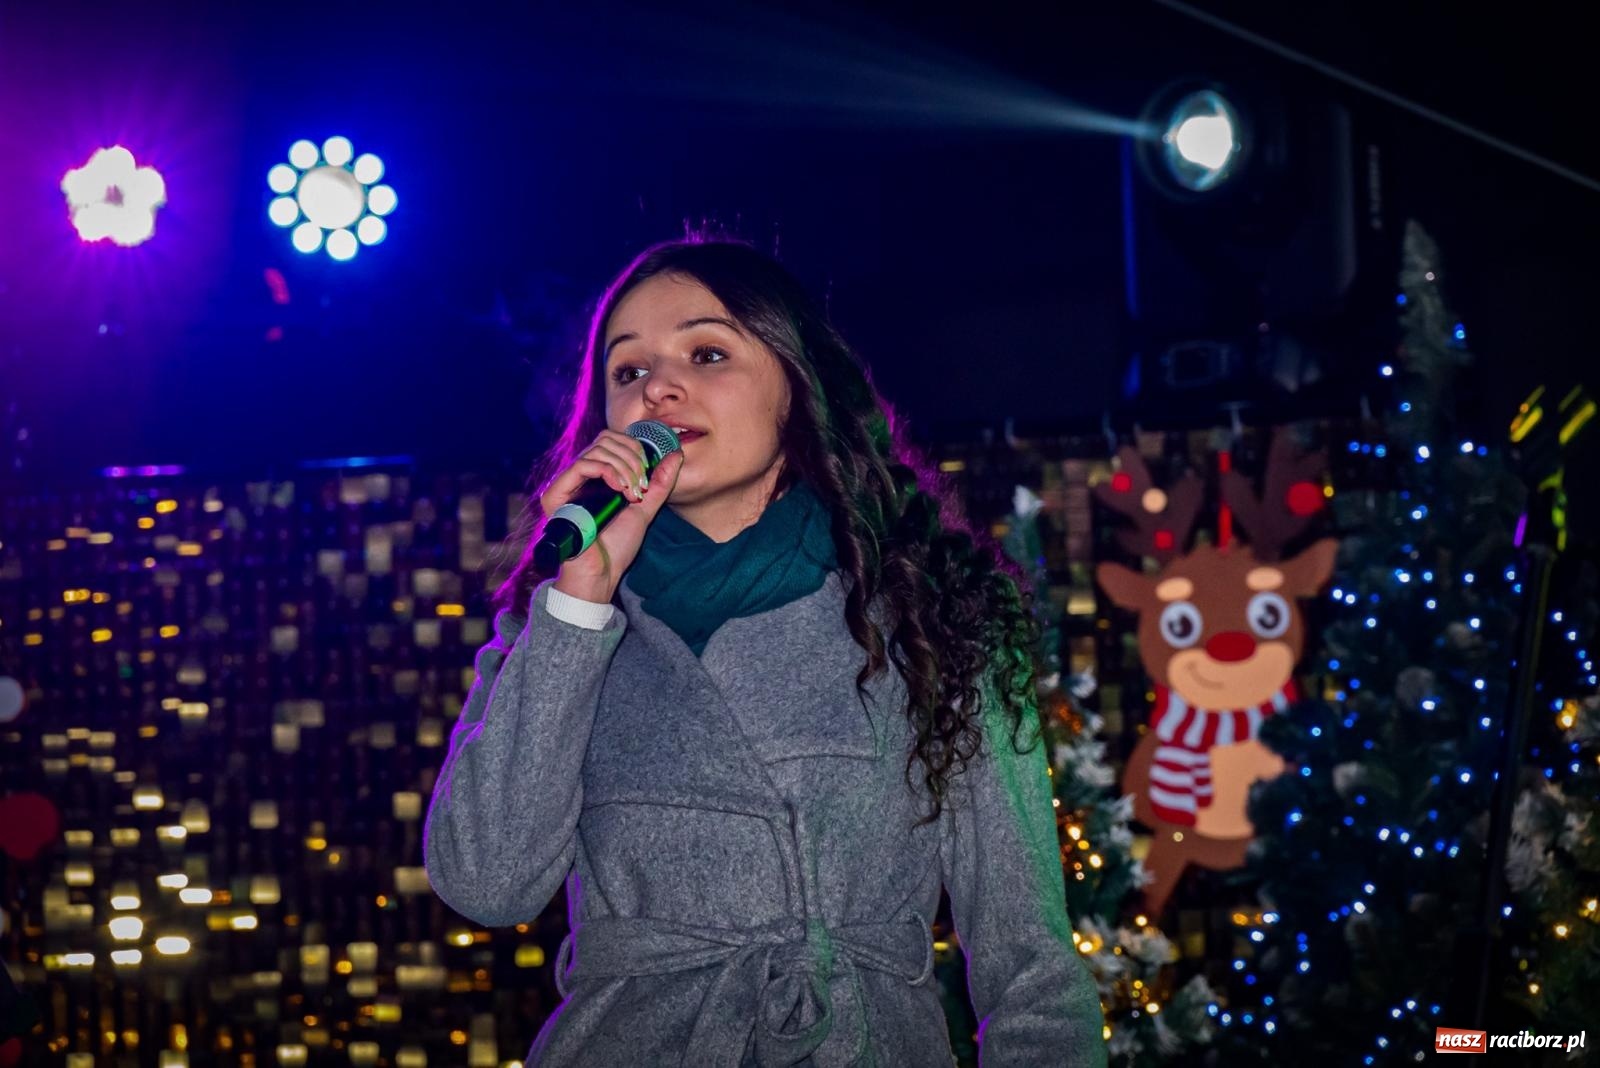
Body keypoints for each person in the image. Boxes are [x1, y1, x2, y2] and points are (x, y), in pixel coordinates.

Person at [423, 236, 1108, 1066]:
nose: (659, 388)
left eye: (707, 352)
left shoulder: (933, 618)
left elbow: (1030, 967)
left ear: (796, 386)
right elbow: (488, 886)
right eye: (628, 372)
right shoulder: (561, 627)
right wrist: (578, 603)